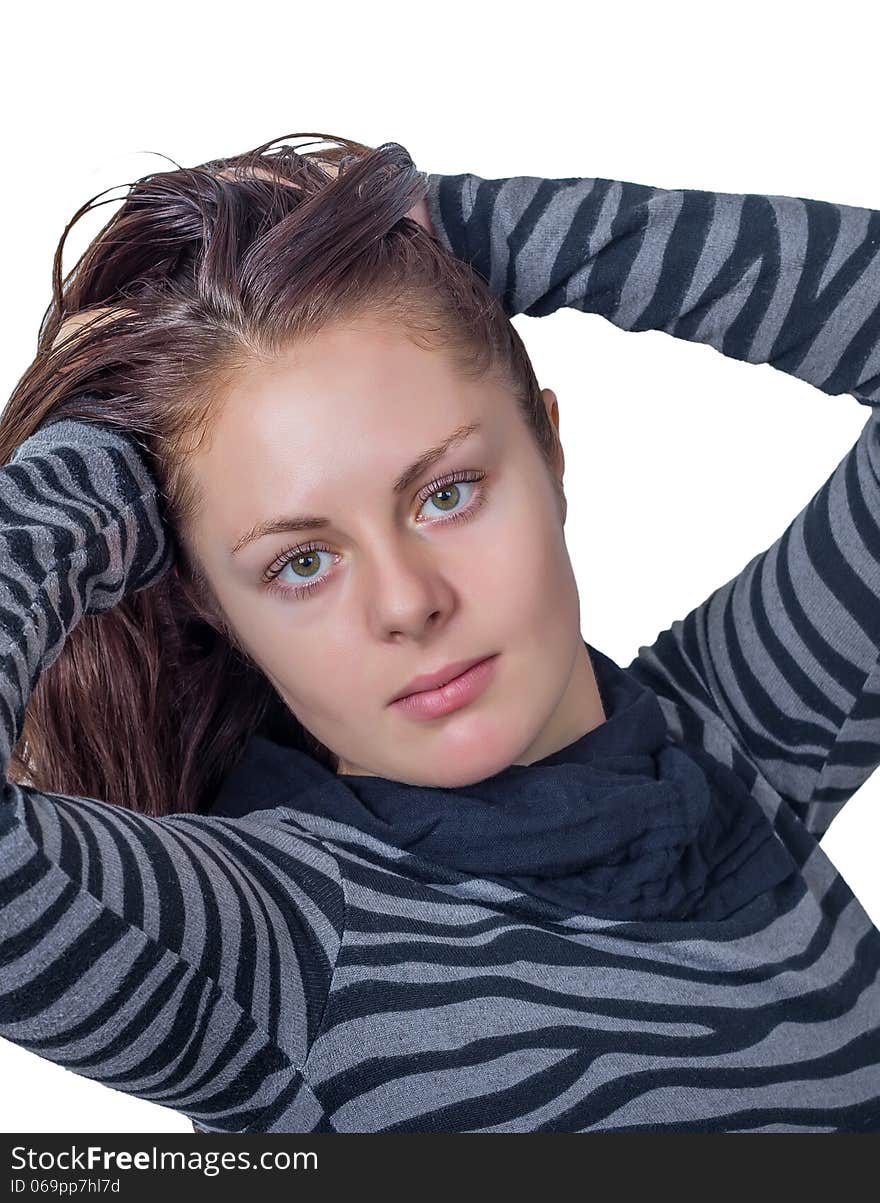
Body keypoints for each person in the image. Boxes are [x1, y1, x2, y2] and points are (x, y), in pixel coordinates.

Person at [0, 131, 878, 1134]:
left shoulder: (736, 743)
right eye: (301, 561)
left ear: (547, 447)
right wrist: (98, 466)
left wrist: (463, 226)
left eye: (446, 494)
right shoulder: (278, 945)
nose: (406, 602)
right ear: (207, 598)